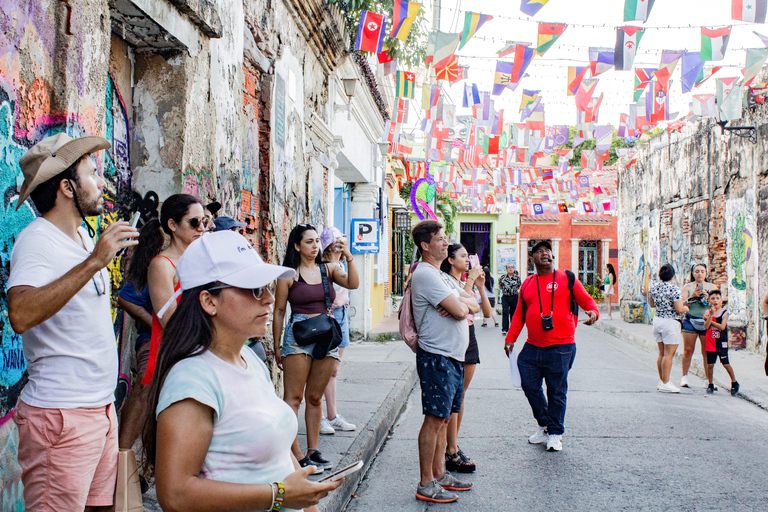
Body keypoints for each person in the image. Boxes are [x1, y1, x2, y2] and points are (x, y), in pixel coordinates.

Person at [142, 231, 342, 512]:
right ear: (209, 301)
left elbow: (282, 459)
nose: (269, 299)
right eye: (255, 289)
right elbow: (175, 494)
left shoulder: (248, 358)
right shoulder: (193, 379)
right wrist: (279, 495)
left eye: (268, 287)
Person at [8, 133, 139, 510]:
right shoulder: (38, 241)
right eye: (92, 173)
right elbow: (20, 313)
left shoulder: (82, 235)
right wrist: (95, 262)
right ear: (67, 187)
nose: (102, 182)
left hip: (98, 410)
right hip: (61, 418)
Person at [273, 224, 359, 473]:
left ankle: (313, 450)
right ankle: (294, 453)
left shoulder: (329, 269)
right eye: (308, 242)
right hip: (298, 334)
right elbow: (279, 311)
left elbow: (353, 283)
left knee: (314, 397)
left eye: (316, 241)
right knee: (294, 398)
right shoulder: (287, 275)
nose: (314, 246)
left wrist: (349, 256)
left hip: (325, 334)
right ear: (297, 246)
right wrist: (279, 345)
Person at [504, 241, 598, 453]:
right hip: (532, 347)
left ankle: (555, 433)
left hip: (561, 346)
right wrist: (510, 338)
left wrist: (593, 313)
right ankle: (545, 424)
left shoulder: (567, 278)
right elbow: (519, 315)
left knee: (556, 391)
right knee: (529, 385)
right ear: (532, 259)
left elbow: (587, 302)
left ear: (552, 256)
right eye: (539, 251)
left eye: (547, 250)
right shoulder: (527, 284)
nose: (544, 253)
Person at [410, 221, 476, 503]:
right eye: (440, 239)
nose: (445, 243)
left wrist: (461, 306)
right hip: (437, 355)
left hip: (452, 356)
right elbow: (462, 312)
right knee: (434, 419)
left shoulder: (442, 276)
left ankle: (439, 473)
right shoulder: (425, 274)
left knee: (444, 418)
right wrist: (460, 307)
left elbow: (470, 303)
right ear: (425, 246)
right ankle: (426, 483)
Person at [141, 194, 206, 387]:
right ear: (172, 224)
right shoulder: (162, 265)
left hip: (197, 353)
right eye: (194, 222)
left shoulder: (199, 260)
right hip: (172, 355)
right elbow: (169, 319)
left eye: (204, 221)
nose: (201, 228)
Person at [440, 244, 491, 474]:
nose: (468, 260)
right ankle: (450, 450)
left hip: (469, 336)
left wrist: (479, 287)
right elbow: (462, 307)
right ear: (450, 260)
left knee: (460, 396)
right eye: (462, 256)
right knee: (452, 397)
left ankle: (453, 446)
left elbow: (485, 313)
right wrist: (470, 283)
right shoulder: (446, 282)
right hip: (452, 339)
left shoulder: (465, 284)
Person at [318, 227, 356, 436]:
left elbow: (353, 284)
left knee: (333, 370)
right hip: (328, 317)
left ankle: (332, 415)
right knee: (323, 370)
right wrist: (332, 257)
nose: (342, 244)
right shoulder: (323, 267)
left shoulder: (340, 263)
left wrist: (345, 256)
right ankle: (320, 417)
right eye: (338, 241)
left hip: (342, 317)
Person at [648, 264, 689, 394]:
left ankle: (662, 381)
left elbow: (652, 304)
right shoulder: (674, 290)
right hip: (670, 323)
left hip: (658, 320)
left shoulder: (654, 288)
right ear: (673, 275)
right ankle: (666, 382)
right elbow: (679, 309)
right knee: (668, 355)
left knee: (661, 353)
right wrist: (686, 308)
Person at [680, 263, 719, 389]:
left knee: (706, 351)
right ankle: (684, 377)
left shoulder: (712, 287)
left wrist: (709, 299)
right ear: (693, 273)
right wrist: (693, 296)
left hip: (706, 322)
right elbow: (682, 305)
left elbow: (717, 305)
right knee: (688, 350)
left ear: (706, 273)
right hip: (690, 320)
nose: (700, 274)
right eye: (697, 271)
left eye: (702, 271)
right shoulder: (687, 287)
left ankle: (708, 379)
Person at [703, 290, 739, 395]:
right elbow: (706, 326)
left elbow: (722, 327)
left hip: (721, 342)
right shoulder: (708, 313)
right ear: (709, 300)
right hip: (710, 342)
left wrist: (711, 321)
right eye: (713, 298)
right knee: (710, 365)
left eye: (717, 298)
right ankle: (710, 384)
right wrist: (710, 316)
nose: (715, 301)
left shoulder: (724, 313)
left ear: (721, 301)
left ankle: (734, 382)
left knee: (725, 363)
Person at [499, 263, 522, 335]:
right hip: (505, 296)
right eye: (509, 267)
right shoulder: (502, 278)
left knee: (514, 312)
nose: (510, 268)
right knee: (505, 311)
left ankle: (513, 328)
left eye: (512, 267)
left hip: (514, 296)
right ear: (506, 269)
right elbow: (500, 286)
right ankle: (505, 329)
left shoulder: (517, 278)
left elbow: (518, 286)